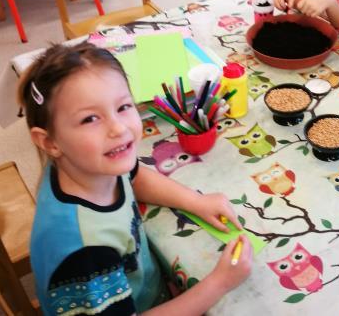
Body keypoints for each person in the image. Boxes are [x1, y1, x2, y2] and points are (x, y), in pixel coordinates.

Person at [17, 42, 252, 315]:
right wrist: (219, 283)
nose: (118, 128)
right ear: (50, 142)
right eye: (90, 119)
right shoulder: (84, 252)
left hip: (141, 288)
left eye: (123, 106)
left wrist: (195, 201)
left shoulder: (87, 164)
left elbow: (134, 176)